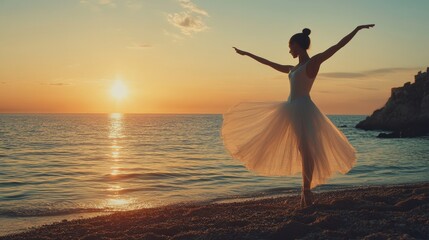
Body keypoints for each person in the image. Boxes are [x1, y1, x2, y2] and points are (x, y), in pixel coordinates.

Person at [221, 25, 375, 207]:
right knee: (303, 151)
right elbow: (269, 63)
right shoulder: (292, 68)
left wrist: (356, 29)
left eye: (291, 46)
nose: (289, 50)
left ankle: (306, 192)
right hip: (290, 109)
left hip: (303, 109)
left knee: (307, 150)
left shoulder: (313, 62)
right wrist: (247, 53)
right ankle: (305, 191)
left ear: (299, 45)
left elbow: (337, 46)